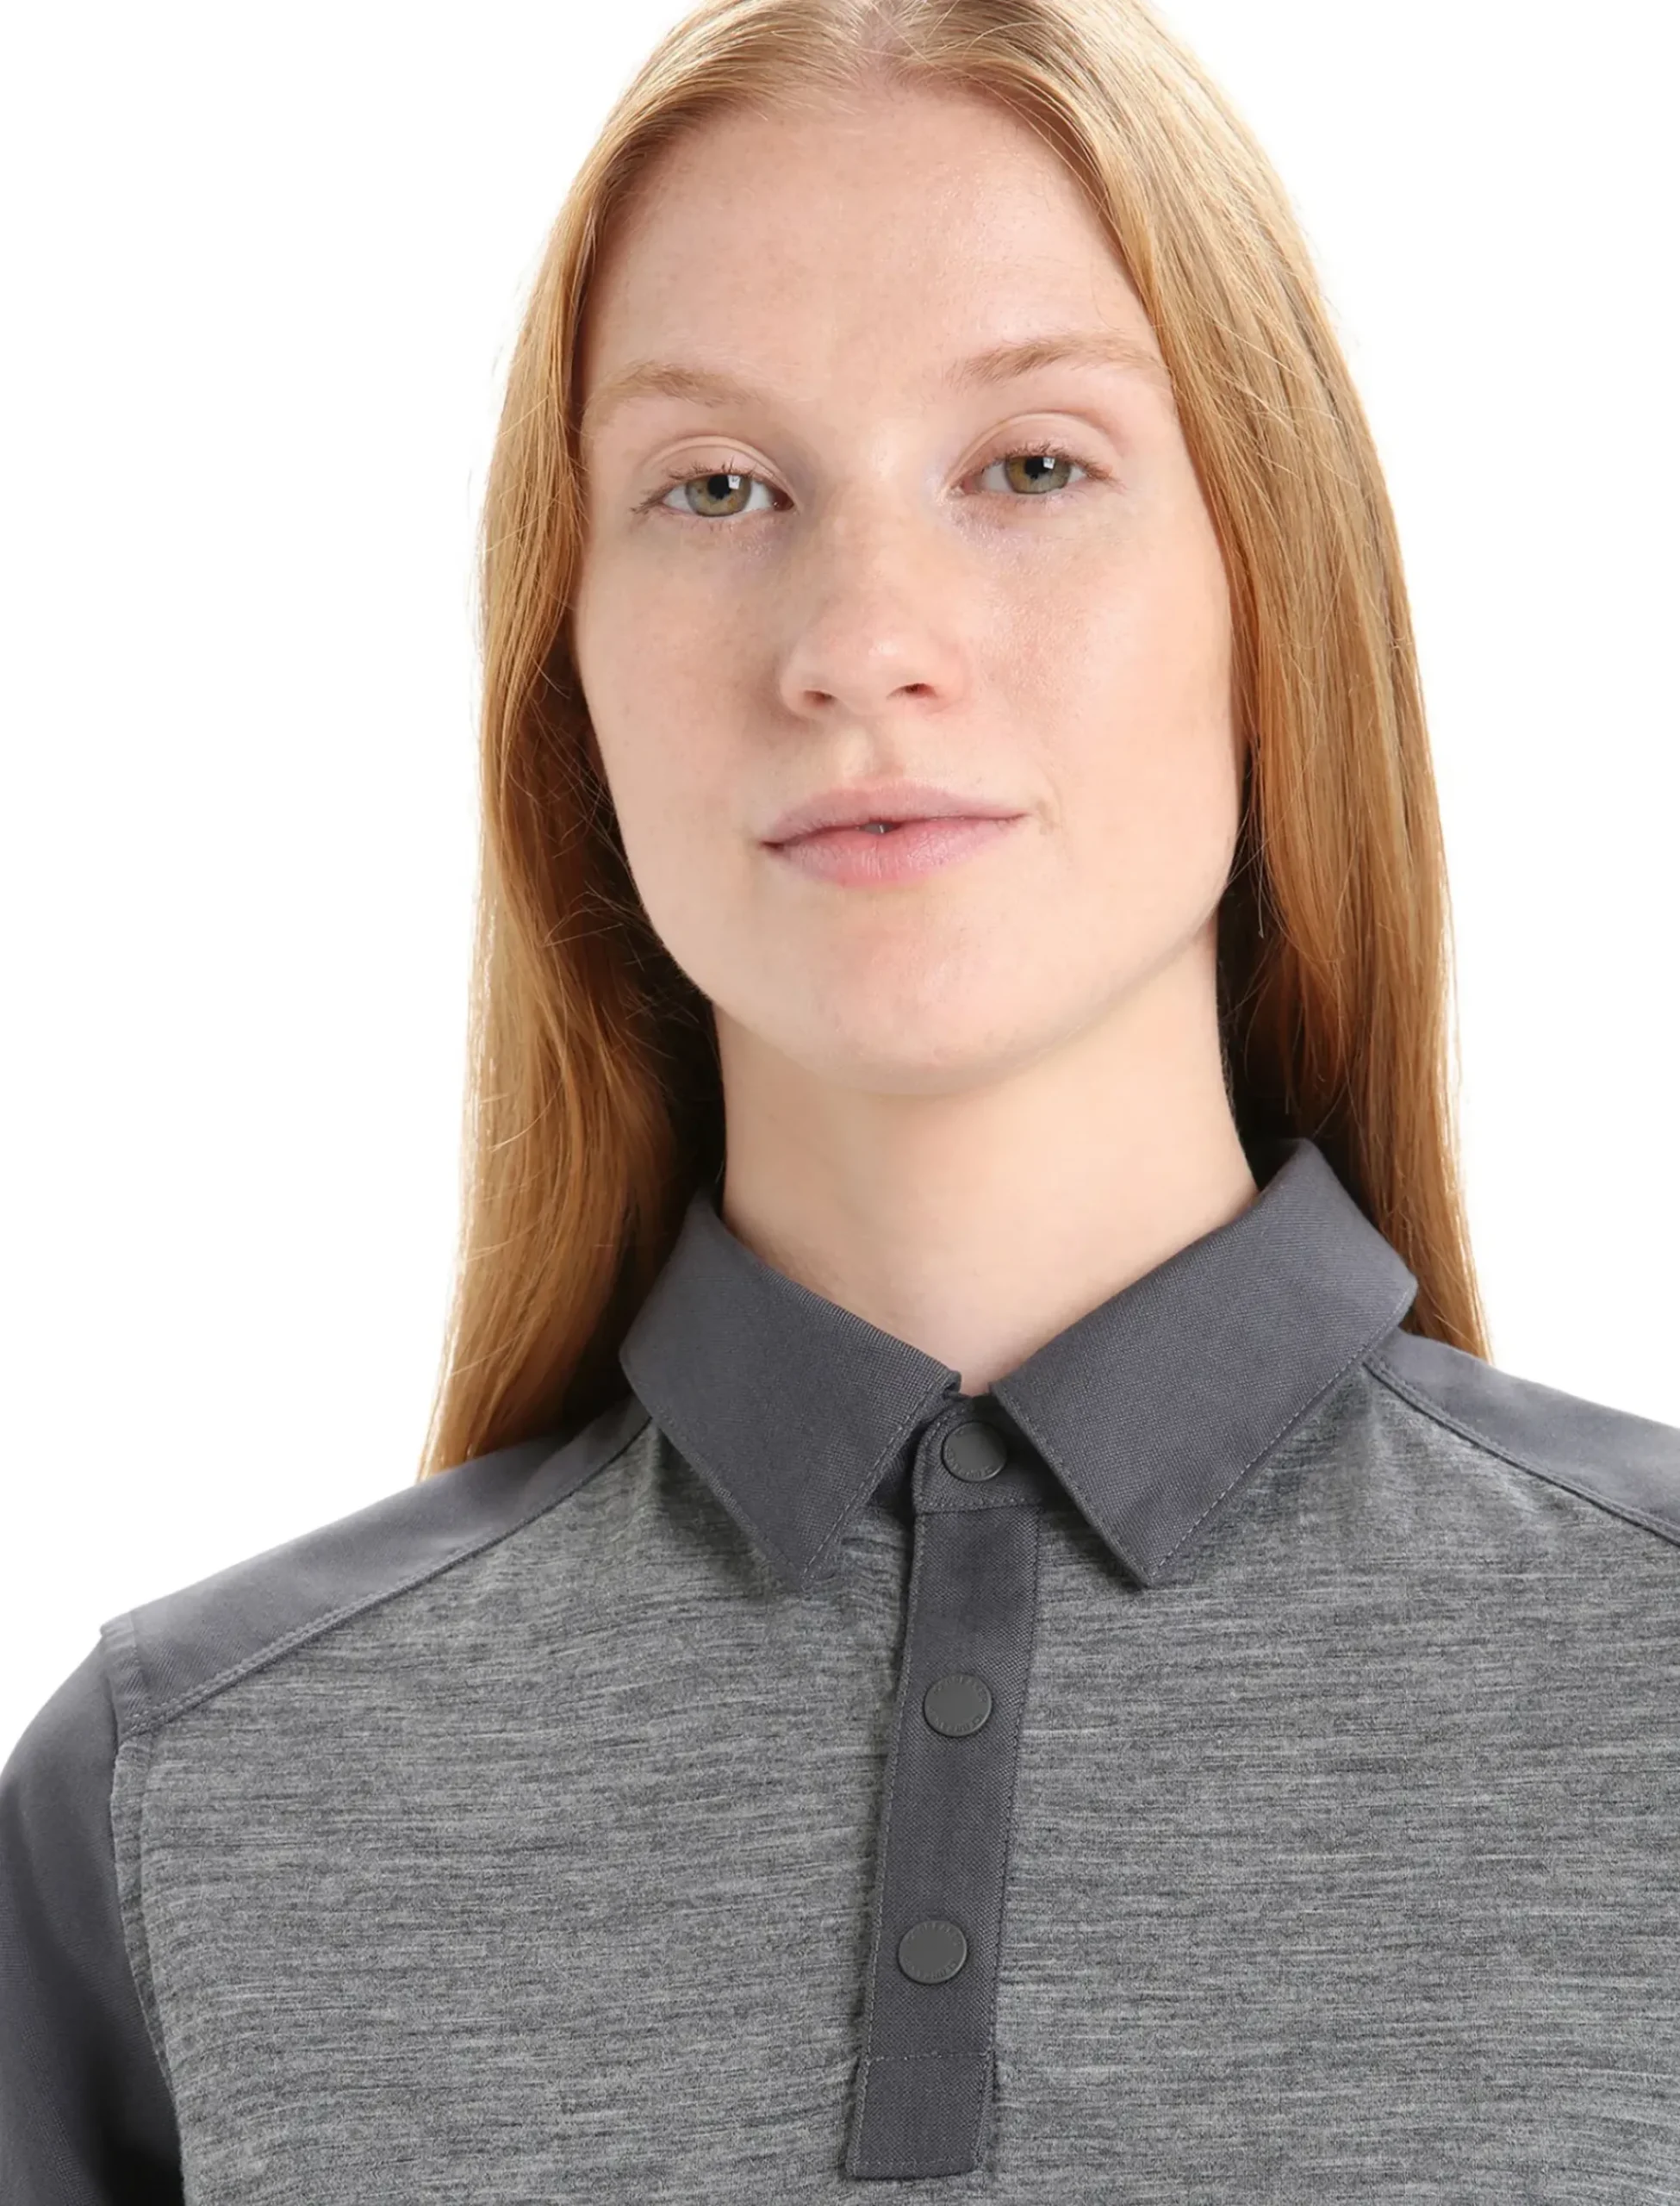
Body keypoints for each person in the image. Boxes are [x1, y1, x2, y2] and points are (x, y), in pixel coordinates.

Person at [3, 0, 1677, 2197]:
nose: (863, 638)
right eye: (717, 487)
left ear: (1281, 595)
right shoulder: (172, 1805)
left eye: (1031, 466)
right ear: (565, 674)